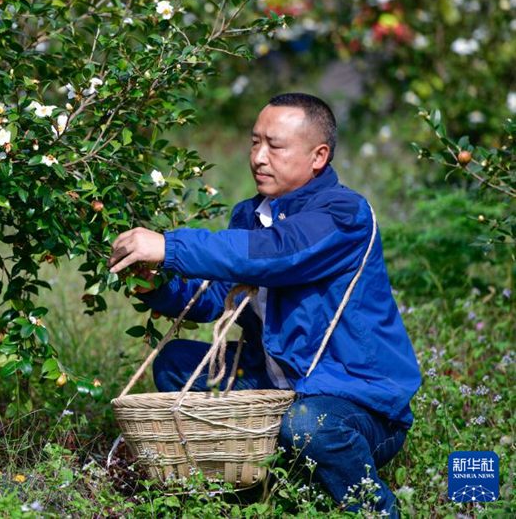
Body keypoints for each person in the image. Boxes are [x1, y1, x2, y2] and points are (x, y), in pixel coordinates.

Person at [107, 93, 421, 517]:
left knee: (311, 424)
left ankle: (375, 509)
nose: (258, 157)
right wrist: (155, 287)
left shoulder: (346, 214)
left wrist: (170, 245)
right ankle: (245, 487)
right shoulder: (250, 216)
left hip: (354, 402)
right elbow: (218, 297)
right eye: (255, 142)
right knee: (175, 364)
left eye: (275, 145)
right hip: (277, 388)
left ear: (318, 156)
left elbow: (277, 254)